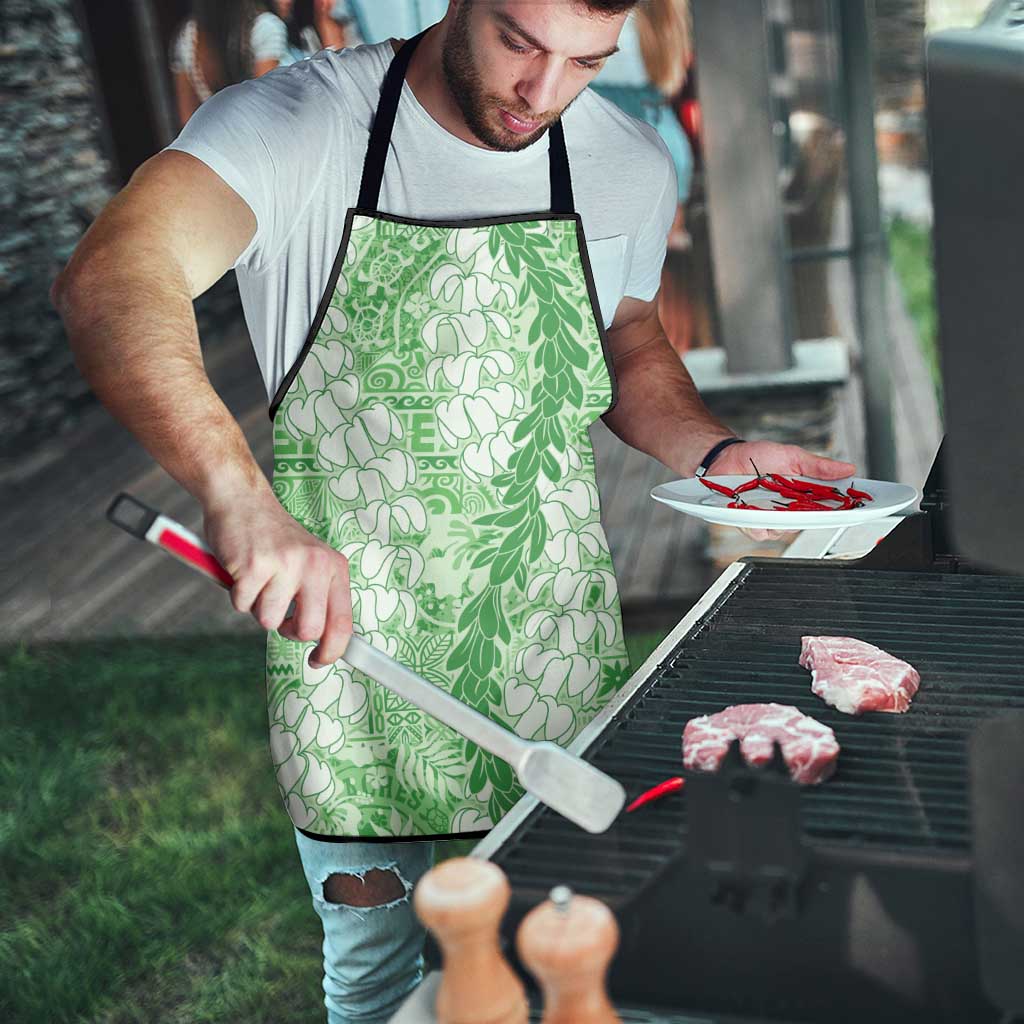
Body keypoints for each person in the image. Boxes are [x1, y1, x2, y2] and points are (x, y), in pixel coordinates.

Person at [53, 2, 856, 1020]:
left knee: (561, 959)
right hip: (349, 659)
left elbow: (628, 338)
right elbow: (113, 275)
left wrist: (717, 449)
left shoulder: (623, 160)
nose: (543, 94)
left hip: (549, 643)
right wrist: (238, 496)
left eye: (585, 62)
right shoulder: (298, 125)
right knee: (380, 979)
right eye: (521, 42)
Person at [169, 0, 289, 127]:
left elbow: (187, 120)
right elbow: (266, 107)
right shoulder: (266, 27)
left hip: (215, 140)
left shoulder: (188, 37)